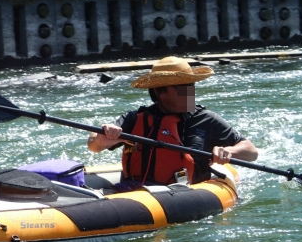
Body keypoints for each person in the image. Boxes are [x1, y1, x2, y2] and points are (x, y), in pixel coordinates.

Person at [87, 56, 258, 187]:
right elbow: (94, 146)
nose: (190, 93)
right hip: (136, 191)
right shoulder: (134, 119)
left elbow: (251, 152)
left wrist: (228, 151)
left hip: (186, 196)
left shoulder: (206, 119)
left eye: (191, 86)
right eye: (182, 88)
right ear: (160, 92)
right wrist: (104, 135)